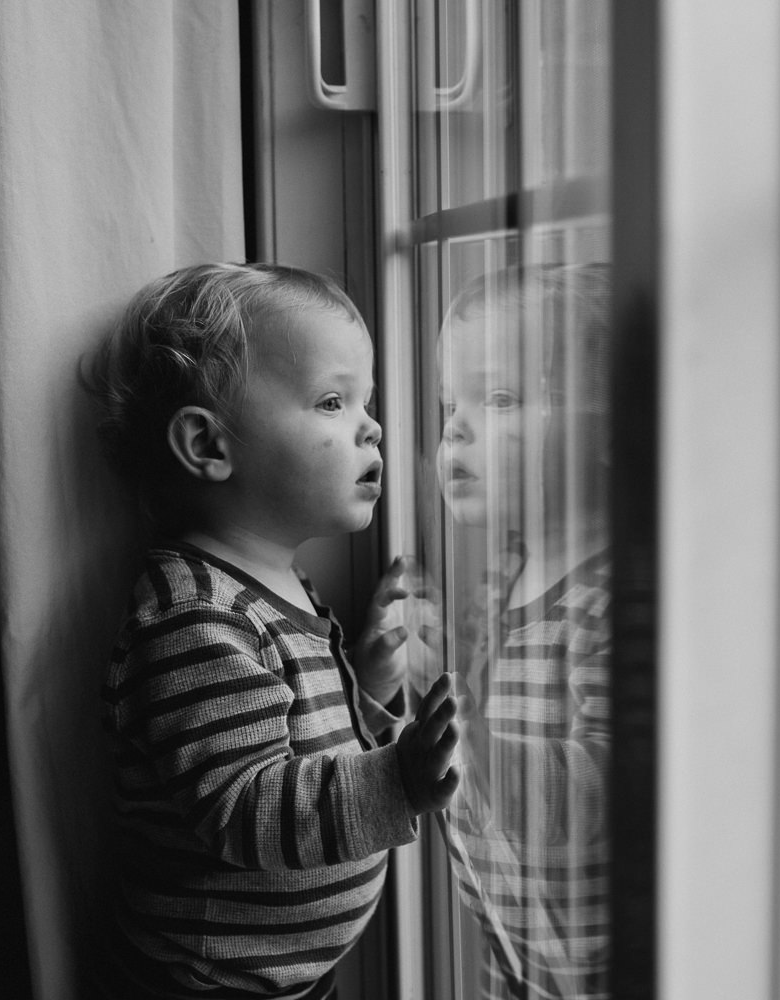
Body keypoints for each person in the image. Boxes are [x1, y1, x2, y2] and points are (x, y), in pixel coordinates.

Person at [85, 261, 460, 1000]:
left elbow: (298, 740)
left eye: (366, 401)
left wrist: (371, 686)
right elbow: (249, 809)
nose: (372, 425)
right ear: (209, 446)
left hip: (274, 974)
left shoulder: (271, 583)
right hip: (206, 981)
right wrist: (398, 778)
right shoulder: (196, 618)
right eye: (331, 401)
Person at [432, 262, 614, 999]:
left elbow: (615, 794)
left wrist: (480, 754)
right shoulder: (498, 578)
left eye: (501, 398)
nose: (455, 428)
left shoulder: (611, 606)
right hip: (513, 952)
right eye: (453, 402)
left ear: (609, 433)